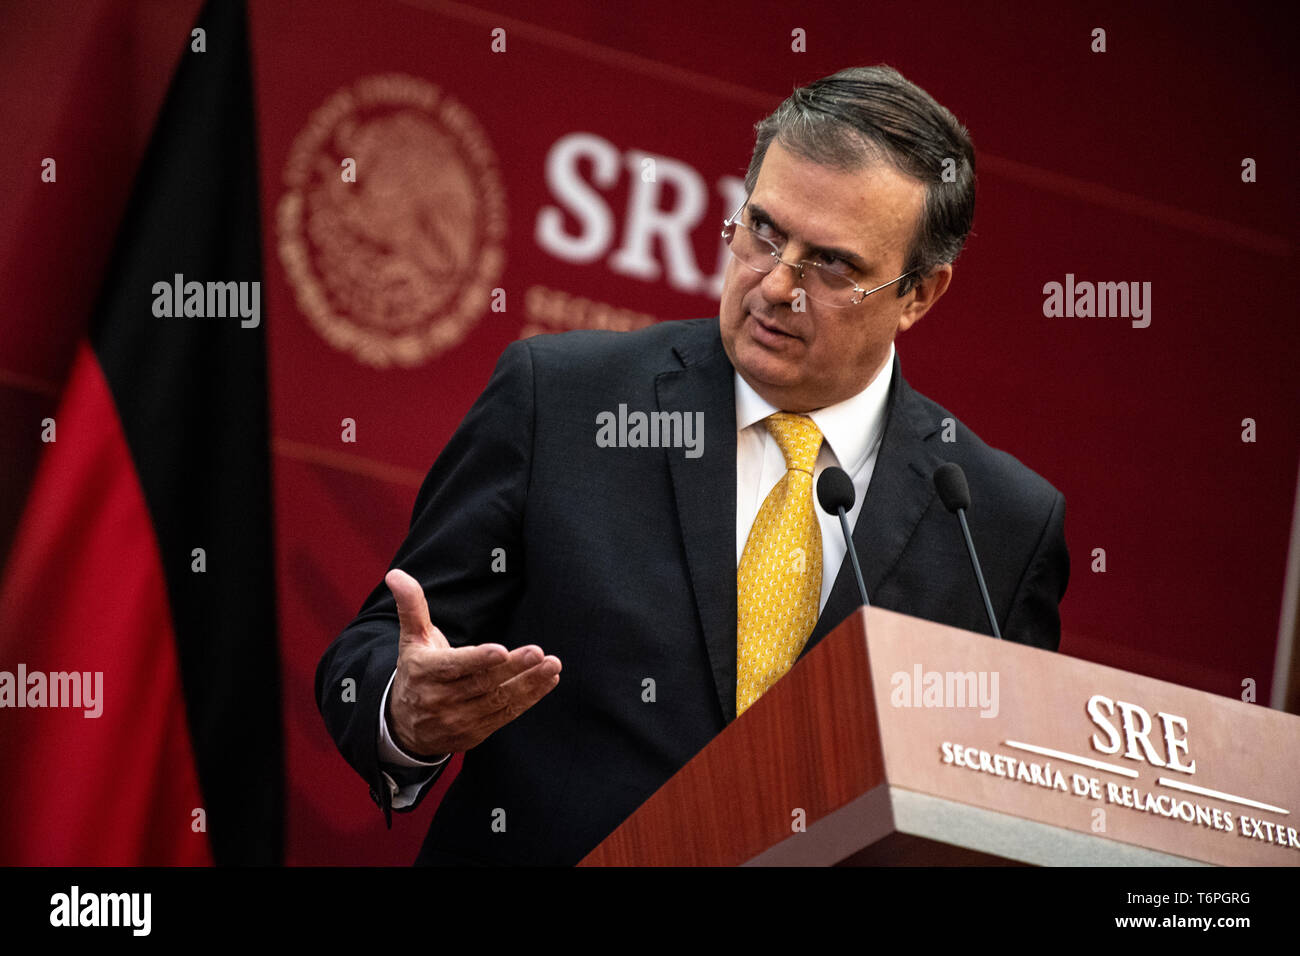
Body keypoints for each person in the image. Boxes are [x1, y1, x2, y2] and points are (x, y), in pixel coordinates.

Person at [316, 65, 1069, 866]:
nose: (776, 284)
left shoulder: (997, 524)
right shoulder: (562, 400)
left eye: (833, 266)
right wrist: (405, 714)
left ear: (920, 294)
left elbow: (996, 812)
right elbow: (372, 654)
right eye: (763, 232)